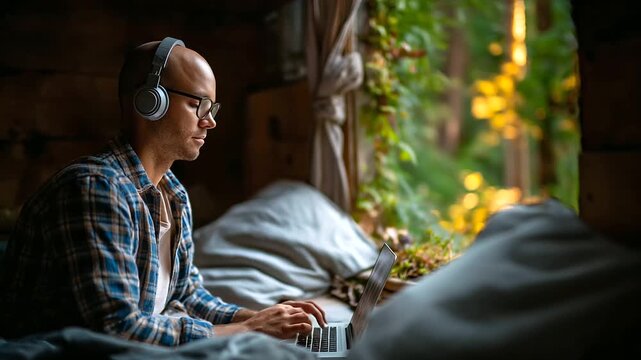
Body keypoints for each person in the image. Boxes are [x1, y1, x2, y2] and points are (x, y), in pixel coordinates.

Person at [0, 37, 326, 346]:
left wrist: (267, 319)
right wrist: (244, 329)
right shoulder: (94, 189)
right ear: (150, 100)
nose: (209, 122)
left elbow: (187, 295)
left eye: (212, 109)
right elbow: (116, 328)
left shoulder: (174, 195)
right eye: (198, 104)